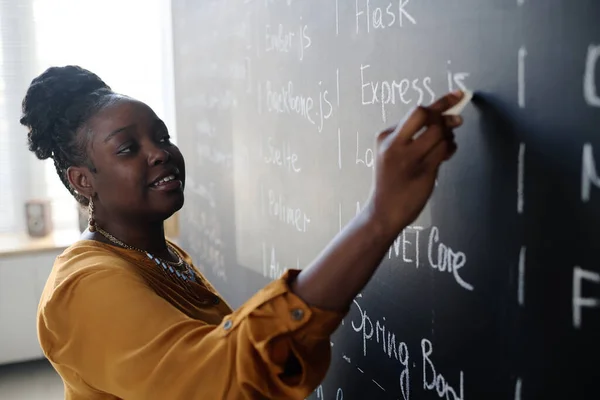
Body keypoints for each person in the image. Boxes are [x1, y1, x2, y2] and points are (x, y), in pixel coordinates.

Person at [21, 65, 464, 400]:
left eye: (162, 136)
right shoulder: (85, 286)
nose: (159, 153)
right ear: (83, 180)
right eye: (128, 148)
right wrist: (379, 218)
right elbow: (219, 382)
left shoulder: (160, 254)